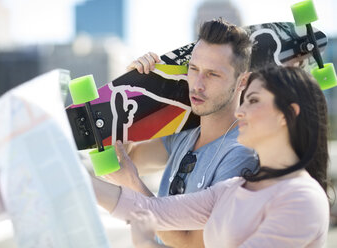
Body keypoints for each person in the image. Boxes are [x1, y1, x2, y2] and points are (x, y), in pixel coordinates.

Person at [92, 66, 331, 248]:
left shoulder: (301, 198)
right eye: (244, 100)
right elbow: (152, 209)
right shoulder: (232, 189)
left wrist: (146, 243)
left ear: (287, 114)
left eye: (254, 101)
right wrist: (78, 179)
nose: (240, 111)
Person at [104, 18, 258, 248]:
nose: (197, 84)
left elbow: (195, 244)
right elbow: (125, 160)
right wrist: (133, 90)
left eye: (213, 74)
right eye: (193, 69)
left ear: (242, 81)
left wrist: (135, 186)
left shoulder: (241, 153)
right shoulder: (185, 134)